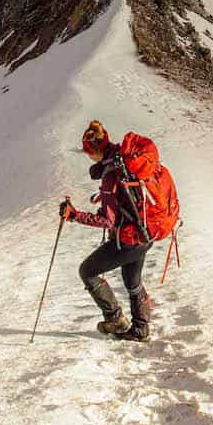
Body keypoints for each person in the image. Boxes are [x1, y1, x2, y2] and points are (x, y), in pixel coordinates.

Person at [60, 120, 154, 342]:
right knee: (132, 281)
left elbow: (107, 221)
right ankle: (140, 329)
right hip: (146, 232)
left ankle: (116, 320)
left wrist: (75, 215)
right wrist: (104, 197)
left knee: (88, 271)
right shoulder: (123, 160)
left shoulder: (111, 173)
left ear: (93, 151)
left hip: (128, 238)